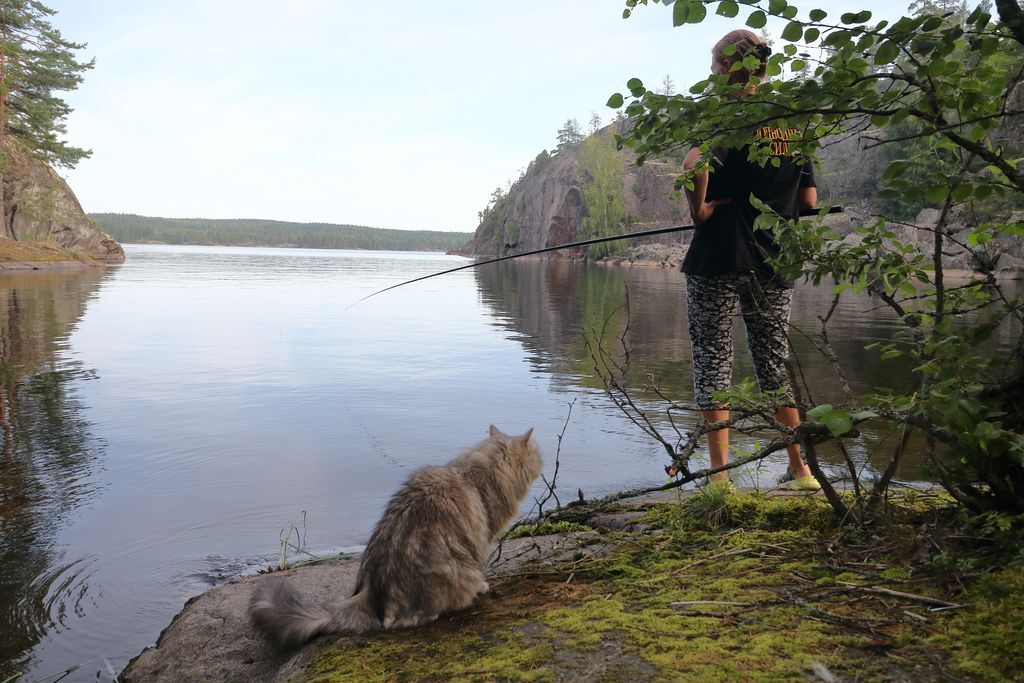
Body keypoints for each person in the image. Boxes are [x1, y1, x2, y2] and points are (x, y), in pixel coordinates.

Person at [681, 29, 820, 491]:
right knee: (773, 364)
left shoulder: (722, 117)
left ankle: (720, 478)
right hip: (775, 262)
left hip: (717, 255)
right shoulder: (791, 120)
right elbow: (809, 201)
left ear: (730, 68)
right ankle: (800, 472)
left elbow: (692, 163)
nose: (712, 73)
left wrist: (700, 210)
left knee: (713, 362)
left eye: (715, 65)